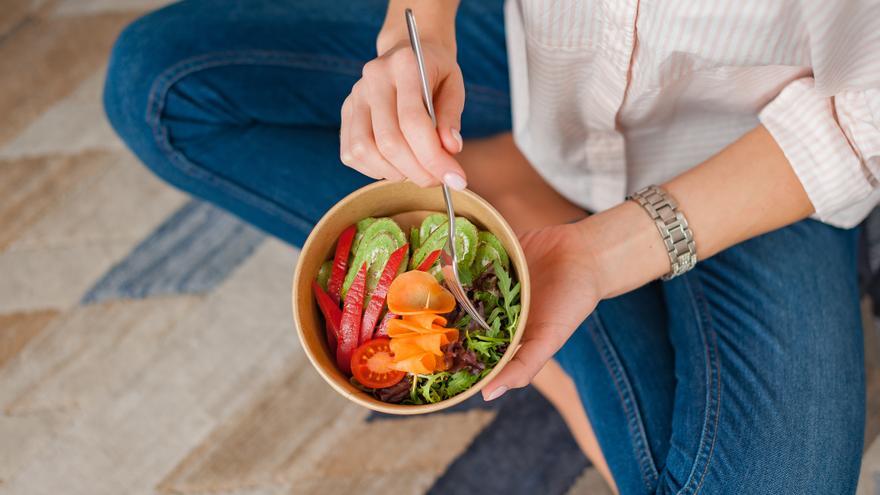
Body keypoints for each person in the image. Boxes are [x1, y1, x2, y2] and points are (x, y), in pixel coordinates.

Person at [104, 0, 880, 493]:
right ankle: (533, 272)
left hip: (755, 150)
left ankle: (542, 273)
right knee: (158, 83)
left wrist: (605, 254)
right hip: (542, 65)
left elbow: (867, 122)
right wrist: (418, 32)